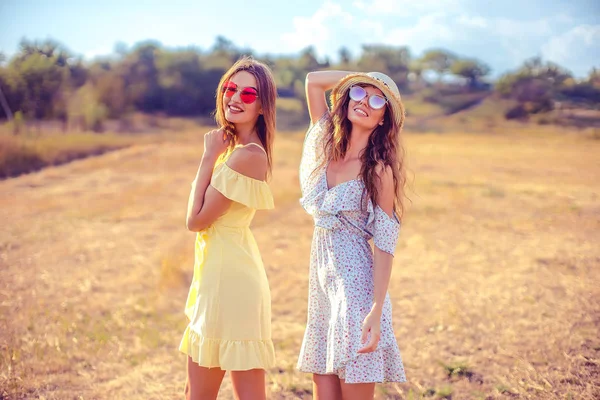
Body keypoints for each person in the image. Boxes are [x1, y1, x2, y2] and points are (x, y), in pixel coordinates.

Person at [297, 70, 408, 400]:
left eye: (377, 100)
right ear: (346, 100)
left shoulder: (378, 170)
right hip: (321, 284)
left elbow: (385, 243)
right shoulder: (322, 144)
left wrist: (376, 308)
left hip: (356, 287)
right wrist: (359, 77)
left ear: (382, 119)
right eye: (359, 93)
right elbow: (314, 81)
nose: (365, 102)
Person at [180, 56, 277, 400]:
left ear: (263, 105)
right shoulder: (233, 149)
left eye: (248, 94)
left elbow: (196, 220)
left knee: (200, 394)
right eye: (230, 88)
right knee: (197, 388)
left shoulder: (245, 155)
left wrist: (207, 156)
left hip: (229, 280)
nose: (235, 98)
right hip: (221, 273)